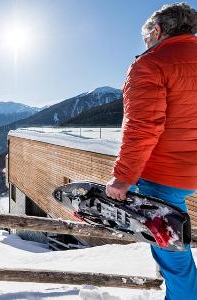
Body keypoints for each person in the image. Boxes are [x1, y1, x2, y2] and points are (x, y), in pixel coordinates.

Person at [105, 3, 197, 299]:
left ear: (158, 30)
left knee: (171, 252)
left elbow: (143, 127)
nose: (145, 39)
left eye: (147, 32)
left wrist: (123, 178)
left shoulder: (151, 63)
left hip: (166, 175)